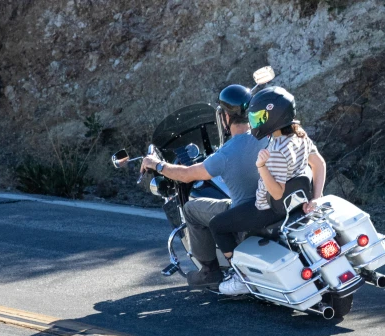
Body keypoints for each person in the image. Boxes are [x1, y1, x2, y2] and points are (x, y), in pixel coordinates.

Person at [140, 85, 267, 289]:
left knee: (191, 209)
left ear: (226, 117)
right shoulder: (267, 138)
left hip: (244, 214)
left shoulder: (226, 154)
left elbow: (187, 174)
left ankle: (209, 271)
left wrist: (156, 164)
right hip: (268, 207)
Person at [208, 86, 327, 295]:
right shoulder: (300, 136)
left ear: (273, 118)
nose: (255, 121)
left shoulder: (276, 150)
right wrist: (316, 198)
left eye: (260, 116)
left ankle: (240, 277)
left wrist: (261, 167)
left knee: (217, 225)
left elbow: (277, 193)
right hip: (297, 202)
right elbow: (319, 165)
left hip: (269, 208)